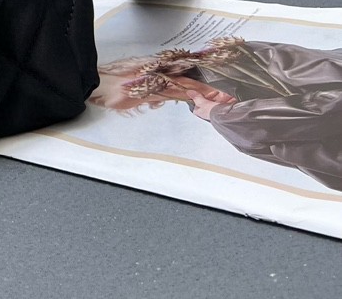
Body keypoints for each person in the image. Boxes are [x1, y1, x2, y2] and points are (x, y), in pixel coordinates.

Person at [89, 36, 342, 192]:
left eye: (93, 94)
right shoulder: (203, 108)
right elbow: (296, 152)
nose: (95, 102)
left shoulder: (238, 60)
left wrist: (228, 116)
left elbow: (330, 104)